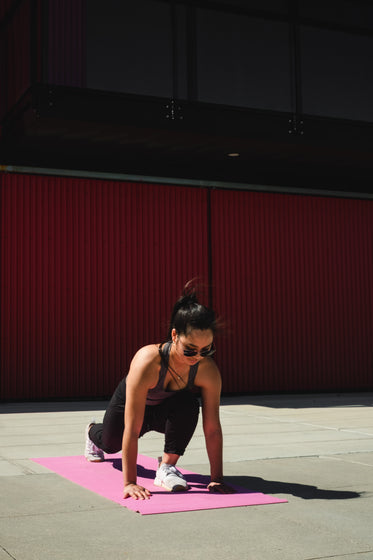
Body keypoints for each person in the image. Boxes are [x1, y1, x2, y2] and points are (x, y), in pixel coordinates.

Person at [84, 282, 234, 500]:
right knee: (110, 445)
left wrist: (217, 478)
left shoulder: (208, 370)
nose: (198, 356)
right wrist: (130, 483)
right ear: (174, 336)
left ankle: (167, 467)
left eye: (207, 349)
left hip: (165, 410)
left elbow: (212, 429)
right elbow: (132, 428)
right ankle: (91, 431)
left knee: (189, 404)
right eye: (190, 349)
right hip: (133, 408)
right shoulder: (148, 361)